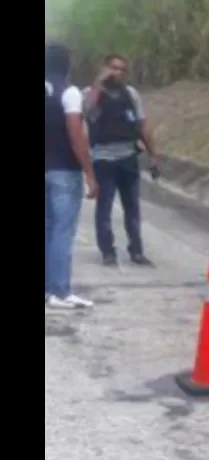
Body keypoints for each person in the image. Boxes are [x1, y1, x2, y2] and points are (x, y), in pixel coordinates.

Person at [82, 53, 159, 267]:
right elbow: (85, 110)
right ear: (105, 68)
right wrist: (99, 82)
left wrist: (153, 155)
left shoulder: (131, 94)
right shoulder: (91, 92)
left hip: (128, 158)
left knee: (132, 207)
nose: (118, 72)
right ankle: (108, 251)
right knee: (104, 208)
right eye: (114, 68)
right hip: (103, 159)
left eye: (122, 69)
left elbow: (142, 125)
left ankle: (136, 251)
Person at [45, 43, 99, 309]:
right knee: (62, 232)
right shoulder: (70, 93)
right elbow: (75, 133)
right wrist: (90, 172)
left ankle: (48, 289)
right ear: (66, 65)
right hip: (64, 170)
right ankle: (60, 291)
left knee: (47, 230)